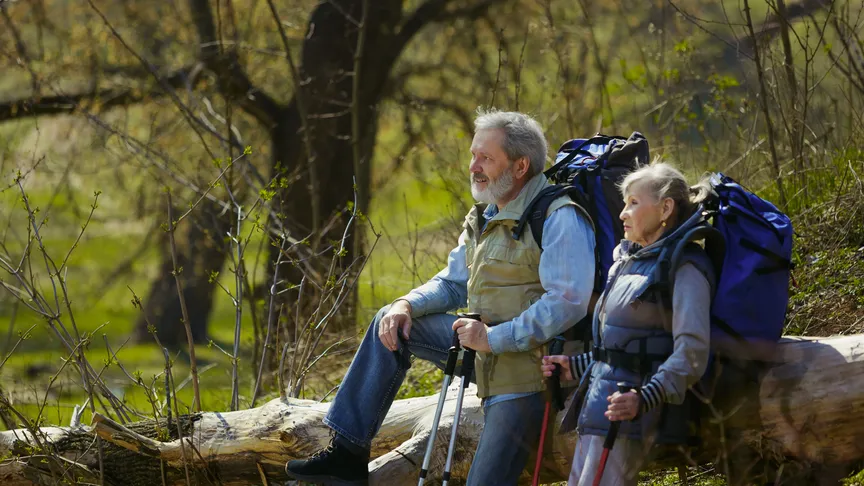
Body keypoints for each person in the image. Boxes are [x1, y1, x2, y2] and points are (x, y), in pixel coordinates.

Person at [285, 109, 596, 486]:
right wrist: (407, 305)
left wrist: (493, 340)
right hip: (479, 349)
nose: (473, 167)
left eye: (486, 158)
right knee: (392, 319)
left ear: (520, 166)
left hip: (529, 371)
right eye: (473, 155)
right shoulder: (484, 215)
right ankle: (347, 452)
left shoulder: (558, 215)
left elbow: (567, 301)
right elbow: (452, 284)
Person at [542, 162, 715, 486]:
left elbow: (692, 351)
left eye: (633, 203)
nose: (622, 213)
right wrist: (575, 366)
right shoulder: (628, 262)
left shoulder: (686, 267)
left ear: (665, 208)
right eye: (625, 203)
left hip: (633, 413)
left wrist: (644, 398)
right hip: (600, 405)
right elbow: (620, 346)